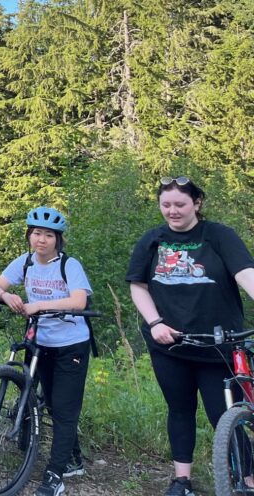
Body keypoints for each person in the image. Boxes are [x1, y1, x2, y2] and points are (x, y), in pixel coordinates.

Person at [127, 176, 254, 496]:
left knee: (224, 414)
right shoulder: (152, 240)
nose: (172, 211)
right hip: (170, 344)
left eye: (180, 204)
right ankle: (181, 480)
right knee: (179, 408)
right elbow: (138, 285)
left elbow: (246, 274)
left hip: (218, 345)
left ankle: (248, 477)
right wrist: (155, 322)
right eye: (165, 204)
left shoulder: (219, 236)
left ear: (196, 204)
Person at [0, 207, 92, 496]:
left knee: (64, 409)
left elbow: (79, 302)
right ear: (29, 236)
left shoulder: (69, 265)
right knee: (54, 403)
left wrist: (39, 306)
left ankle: (55, 476)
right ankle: (72, 459)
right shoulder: (25, 262)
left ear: (58, 239)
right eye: (36, 233)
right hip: (40, 344)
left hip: (71, 345)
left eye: (48, 235)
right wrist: (8, 295)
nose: (41, 240)